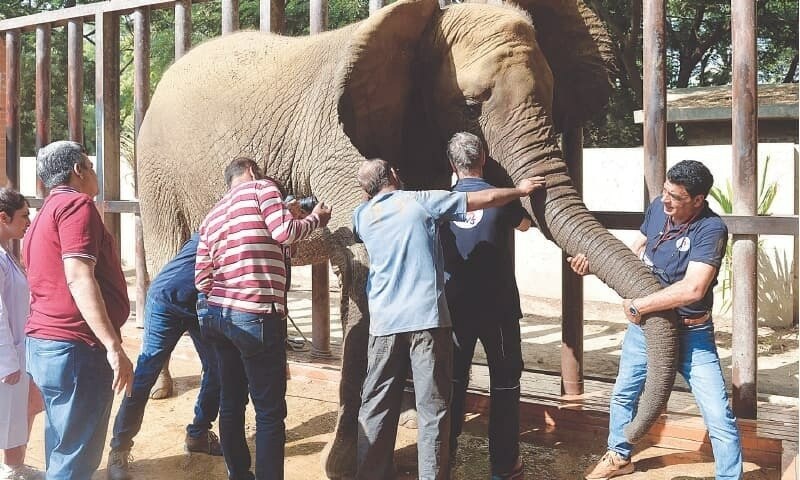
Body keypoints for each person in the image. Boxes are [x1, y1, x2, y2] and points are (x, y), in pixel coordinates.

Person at [352, 158, 545, 480]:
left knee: (375, 404)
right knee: (433, 408)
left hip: (384, 324)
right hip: (427, 320)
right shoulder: (419, 201)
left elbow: (365, 209)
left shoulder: (361, 215)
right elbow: (484, 199)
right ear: (396, 174)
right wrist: (520, 190)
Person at [570, 160, 742, 480]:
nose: (666, 201)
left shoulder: (710, 229)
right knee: (624, 393)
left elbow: (693, 288)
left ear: (698, 200)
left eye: (675, 197)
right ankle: (619, 457)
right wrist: (598, 268)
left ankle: (729, 476)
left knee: (718, 414)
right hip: (645, 328)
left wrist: (639, 304)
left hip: (692, 333)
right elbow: (636, 252)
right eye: (665, 191)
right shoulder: (657, 209)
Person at [196, 157, 331, 480]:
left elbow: (202, 279)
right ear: (253, 172)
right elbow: (284, 232)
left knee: (231, 403)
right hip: (256, 318)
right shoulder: (262, 188)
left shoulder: (212, 215)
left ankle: (239, 474)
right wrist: (316, 219)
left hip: (219, 319)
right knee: (269, 413)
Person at [24, 140, 134, 480]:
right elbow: (78, 276)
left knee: (62, 445)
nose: (94, 172)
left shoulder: (42, 217)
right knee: (75, 460)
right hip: (75, 349)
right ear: (78, 170)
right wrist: (113, 347)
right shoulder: (76, 206)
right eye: (91, 164)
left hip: (47, 347)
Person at [441, 133, 531, 480]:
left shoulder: (442, 201)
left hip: (454, 309)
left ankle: (445, 456)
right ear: (485, 157)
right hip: (499, 308)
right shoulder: (504, 199)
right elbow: (525, 225)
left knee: (452, 383)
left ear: (452, 165)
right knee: (505, 384)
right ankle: (504, 464)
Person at [106, 233, 222, 480]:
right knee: (147, 372)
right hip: (166, 302)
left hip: (198, 306)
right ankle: (119, 449)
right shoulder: (222, 226)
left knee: (217, 369)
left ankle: (198, 434)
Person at [0, 188, 43, 480]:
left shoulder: (7, 254)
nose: (29, 221)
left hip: (18, 348)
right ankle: (12, 470)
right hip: (8, 354)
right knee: (11, 412)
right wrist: (7, 360)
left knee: (28, 404)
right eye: (24, 215)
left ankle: (15, 467)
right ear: (4, 218)